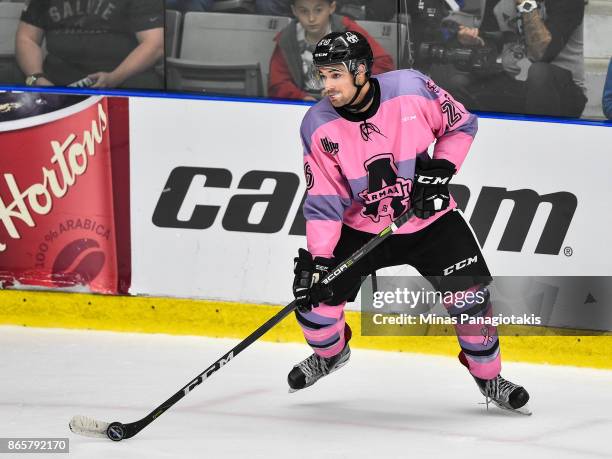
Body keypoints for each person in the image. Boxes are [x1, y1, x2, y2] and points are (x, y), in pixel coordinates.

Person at [288, 30, 531, 414]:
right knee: (314, 309)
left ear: (361, 70)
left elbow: (461, 126)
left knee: (471, 302)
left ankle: (490, 378)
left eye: (336, 75)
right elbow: (324, 200)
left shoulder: (410, 89)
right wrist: (320, 260)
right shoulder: (317, 125)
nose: (327, 86)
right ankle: (331, 355)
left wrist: (439, 172)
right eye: (322, 76)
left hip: (429, 220)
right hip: (360, 228)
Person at [433, 0, 587, 118]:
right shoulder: (498, 3)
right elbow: (494, 42)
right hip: (516, 84)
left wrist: (525, 4)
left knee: (539, 72)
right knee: (456, 83)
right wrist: (474, 40)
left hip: (562, 90)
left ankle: (541, 142)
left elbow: (542, 53)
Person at [15, 0, 164, 89]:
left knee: (145, 84)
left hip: (123, 80)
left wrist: (115, 78)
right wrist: (36, 78)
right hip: (55, 82)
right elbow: (27, 38)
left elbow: (155, 44)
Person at [268, 0, 394, 101]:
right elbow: (278, 84)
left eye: (318, 10)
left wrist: (349, 84)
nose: (311, 18)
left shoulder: (347, 30)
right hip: (304, 104)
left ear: (331, 7)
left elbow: (382, 63)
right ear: (294, 11)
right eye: (304, 11)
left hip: (347, 103)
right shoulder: (287, 38)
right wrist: (302, 98)